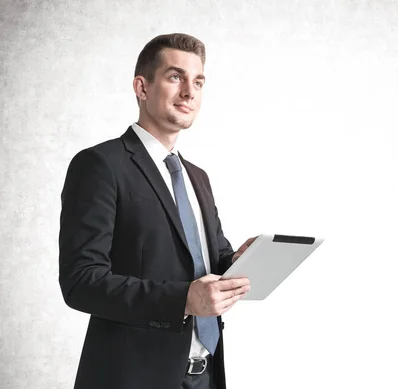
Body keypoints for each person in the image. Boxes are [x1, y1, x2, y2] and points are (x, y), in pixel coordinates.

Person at [58, 33, 255, 389]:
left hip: (206, 375)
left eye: (198, 82)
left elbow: (208, 263)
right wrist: (183, 300)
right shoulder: (100, 165)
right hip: (133, 377)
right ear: (142, 87)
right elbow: (81, 282)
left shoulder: (198, 178)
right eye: (175, 77)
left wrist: (240, 261)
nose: (189, 93)